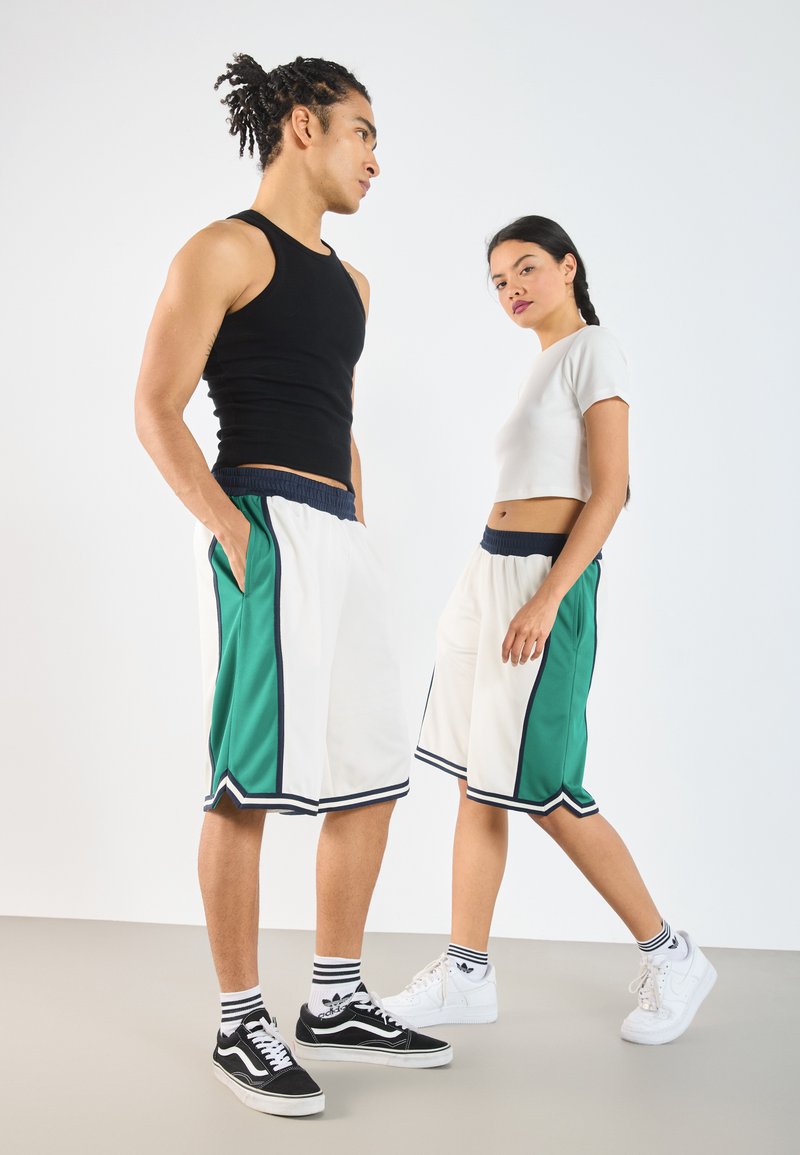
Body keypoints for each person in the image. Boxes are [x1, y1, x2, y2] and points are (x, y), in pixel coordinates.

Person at [134, 53, 451, 1119]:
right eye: (363, 132)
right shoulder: (225, 247)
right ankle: (240, 1019)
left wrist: (355, 527)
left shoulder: (352, 285)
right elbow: (155, 405)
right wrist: (231, 530)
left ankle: (336, 997)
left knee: (370, 766)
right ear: (303, 127)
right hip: (260, 522)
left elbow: (337, 414)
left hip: (337, 537)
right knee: (248, 777)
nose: (375, 159)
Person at [382, 215, 716, 1046]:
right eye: (499, 281)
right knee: (476, 779)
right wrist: (484, 593)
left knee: (547, 788)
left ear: (569, 267)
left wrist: (547, 597)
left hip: (543, 579)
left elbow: (611, 490)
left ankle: (672, 954)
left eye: (527, 268)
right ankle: (465, 972)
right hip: (488, 575)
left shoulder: (594, 349)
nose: (512, 289)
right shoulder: (543, 365)